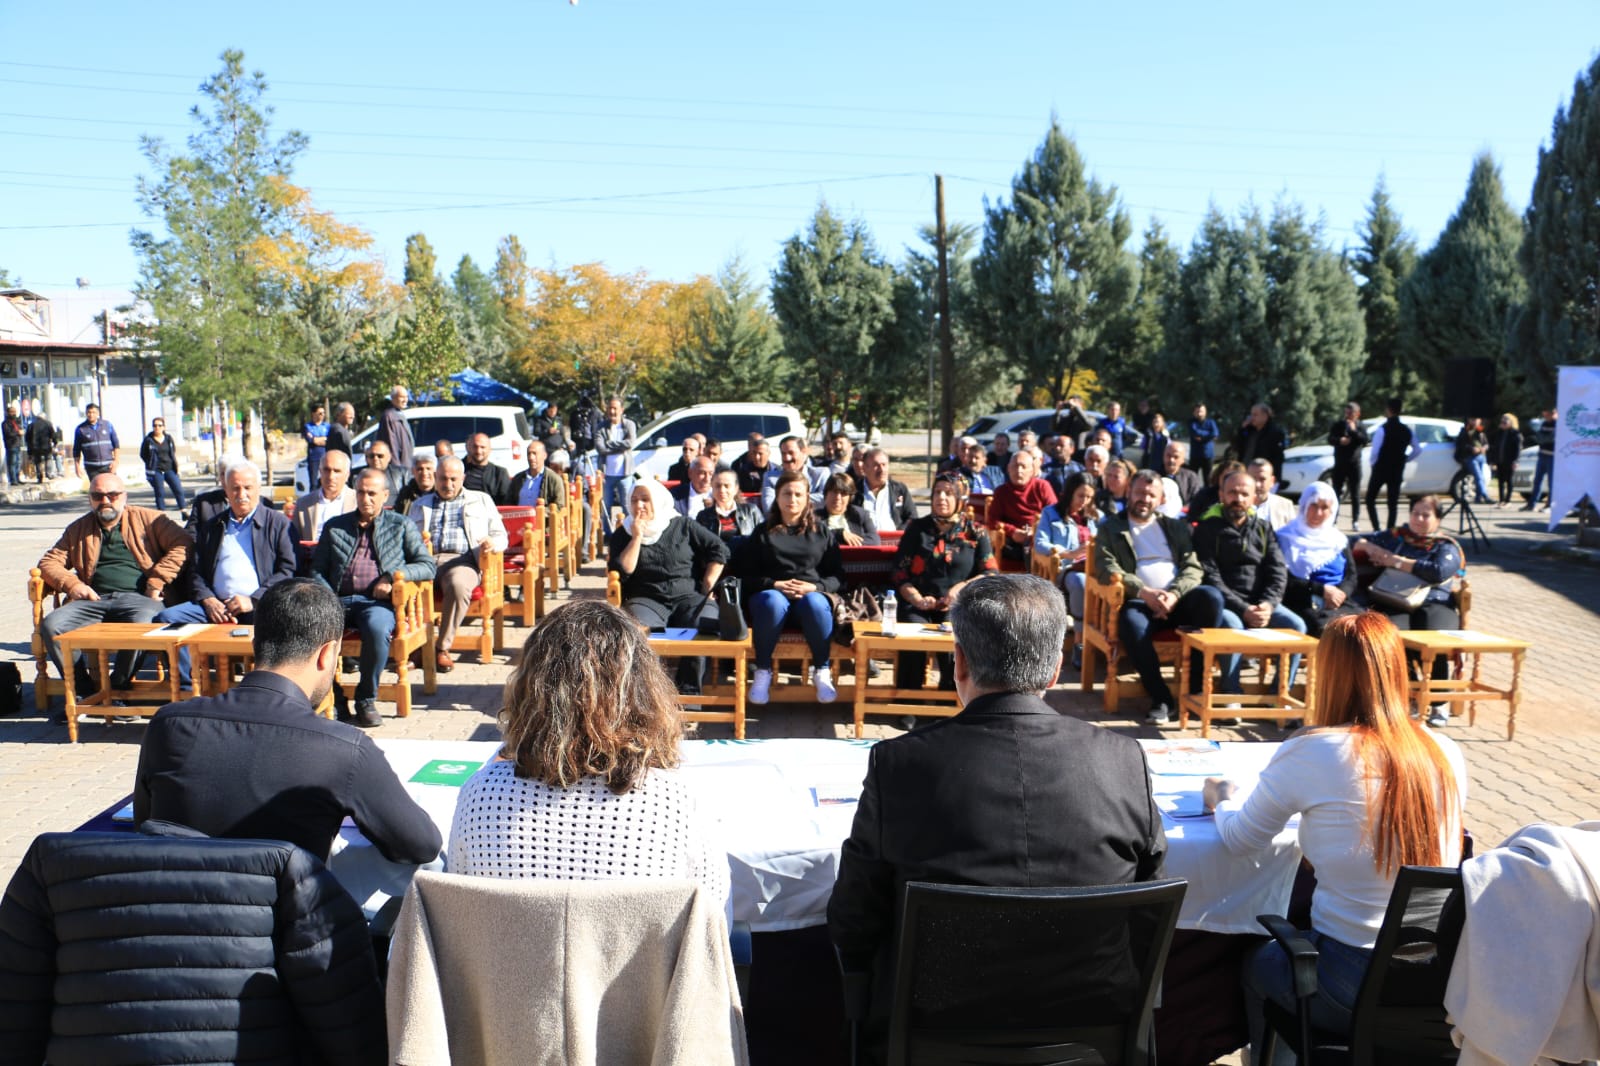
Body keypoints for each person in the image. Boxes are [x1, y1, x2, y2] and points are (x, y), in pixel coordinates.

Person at [828, 574, 1167, 1058]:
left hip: (934, 1032)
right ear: (1054, 670)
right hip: (1089, 1031)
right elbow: (1148, 911)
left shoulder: (900, 765)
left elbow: (853, 921)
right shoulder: (1123, 759)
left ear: (959, 663)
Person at [1203, 612, 1466, 1066]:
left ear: (1329, 675)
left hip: (1349, 977)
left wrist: (1221, 800)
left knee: (1254, 963)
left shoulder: (1315, 749)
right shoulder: (1444, 751)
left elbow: (1241, 840)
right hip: (1435, 977)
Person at [134, 577, 442, 868]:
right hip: (283, 920)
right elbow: (421, 845)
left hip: (172, 915)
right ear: (327, 654)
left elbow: (146, 824)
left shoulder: (168, 724)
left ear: (256, 642)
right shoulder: (344, 749)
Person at [446, 600, 727, 906]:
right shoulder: (678, 802)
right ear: (644, 691)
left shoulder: (480, 795)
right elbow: (713, 924)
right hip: (639, 955)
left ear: (530, 689)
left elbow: (461, 912)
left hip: (506, 953)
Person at [36, 472, 193, 694]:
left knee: (146, 622)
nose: (106, 501)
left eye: (112, 495)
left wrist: (157, 580)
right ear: (90, 499)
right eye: (98, 496)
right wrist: (73, 584)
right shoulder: (79, 529)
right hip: (94, 599)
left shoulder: (150, 520)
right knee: (52, 625)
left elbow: (184, 543)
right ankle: (83, 691)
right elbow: (50, 561)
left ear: (124, 496)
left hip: (140, 598)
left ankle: (118, 688)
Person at [1094, 470, 1226, 725]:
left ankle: (1195, 688)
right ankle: (1162, 698)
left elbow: (1192, 567)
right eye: (1139, 493)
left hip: (1177, 600)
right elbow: (1107, 567)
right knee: (1131, 623)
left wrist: (1174, 594)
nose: (1144, 499)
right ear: (1129, 492)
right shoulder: (1111, 527)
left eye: (1150, 495)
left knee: (1211, 598)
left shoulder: (1173, 527)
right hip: (1139, 601)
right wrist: (1144, 592)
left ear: (1160, 498)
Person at [309, 467, 437, 726]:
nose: (365, 499)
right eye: (360, 493)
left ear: (385, 496)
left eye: (372, 493)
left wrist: (392, 576)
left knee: (377, 629)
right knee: (312, 629)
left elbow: (427, 565)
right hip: (339, 601)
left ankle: (365, 699)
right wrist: (327, 598)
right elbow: (316, 570)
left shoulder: (401, 525)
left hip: (377, 603)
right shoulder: (336, 527)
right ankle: (334, 697)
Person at [151, 459, 297, 686]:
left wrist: (254, 599)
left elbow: (288, 570)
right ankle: (188, 689)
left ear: (258, 488)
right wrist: (208, 599)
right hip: (215, 606)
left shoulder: (277, 523)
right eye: (235, 488)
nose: (242, 494)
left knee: (278, 625)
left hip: (259, 605)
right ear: (226, 491)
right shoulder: (213, 526)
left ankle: (267, 690)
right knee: (166, 620)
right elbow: (196, 571)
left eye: (248, 488)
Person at [1192, 469, 1307, 697]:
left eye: (1245, 494)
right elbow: (1210, 576)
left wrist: (1269, 604)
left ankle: (1280, 695)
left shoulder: (1263, 528)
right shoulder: (1207, 528)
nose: (1238, 499)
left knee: (1297, 627)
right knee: (1233, 629)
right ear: (1222, 495)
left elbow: (1277, 571)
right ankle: (1231, 694)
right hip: (1227, 605)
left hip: (1261, 604)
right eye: (1232, 493)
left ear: (1255, 497)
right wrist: (1243, 609)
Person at [609, 479, 728, 695]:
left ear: (658, 500)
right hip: (646, 598)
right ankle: (650, 699)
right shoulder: (623, 532)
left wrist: (709, 583)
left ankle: (689, 695)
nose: (639, 506)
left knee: (704, 624)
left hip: (687, 596)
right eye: (634, 501)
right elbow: (624, 569)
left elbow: (718, 548)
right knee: (639, 634)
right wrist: (637, 536)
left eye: (645, 499)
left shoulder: (682, 525)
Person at [1356, 494, 1465, 726]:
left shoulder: (1445, 545)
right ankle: (1409, 695)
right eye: (1415, 513)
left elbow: (1437, 571)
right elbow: (1358, 543)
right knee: (1392, 636)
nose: (1419, 519)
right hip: (1398, 600)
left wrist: (1395, 561)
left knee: (1433, 637)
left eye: (1426, 515)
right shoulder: (1398, 537)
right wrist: (1372, 549)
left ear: (1438, 519)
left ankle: (1438, 701)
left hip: (1434, 602)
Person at [744, 470, 844, 705]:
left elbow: (838, 576)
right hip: (769, 603)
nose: (793, 499)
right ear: (777, 497)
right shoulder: (762, 533)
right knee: (773, 600)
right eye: (787, 493)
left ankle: (821, 670)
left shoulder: (821, 532)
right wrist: (774, 584)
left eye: (799, 494)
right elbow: (744, 575)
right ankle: (762, 671)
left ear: (808, 498)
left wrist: (815, 587)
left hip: (809, 603)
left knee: (816, 603)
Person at [891, 473, 997, 690]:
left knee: (954, 637)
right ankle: (908, 699)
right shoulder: (916, 528)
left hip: (958, 605)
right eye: (937, 492)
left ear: (960, 498)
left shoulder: (975, 532)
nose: (941, 498)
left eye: (948, 493)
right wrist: (917, 598)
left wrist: (960, 589)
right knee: (913, 636)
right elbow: (900, 573)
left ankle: (950, 700)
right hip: (918, 604)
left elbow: (991, 573)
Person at [407, 456, 508, 672]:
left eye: (453, 479)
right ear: (435, 478)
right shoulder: (419, 505)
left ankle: (440, 648)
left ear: (463, 478)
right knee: (402, 587)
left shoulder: (480, 500)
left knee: (458, 585)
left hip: (462, 561)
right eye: (443, 479)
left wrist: (491, 543)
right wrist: (415, 543)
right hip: (425, 561)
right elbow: (405, 540)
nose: (448, 484)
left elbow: (502, 536)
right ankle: (415, 648)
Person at [1034, 471, 1100, 668]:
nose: (1084, 502)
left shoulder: (1095, 517)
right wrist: (1068, 553)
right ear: (1070, 493)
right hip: (1065, 568)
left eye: (1089, 497)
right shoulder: (1051, 513)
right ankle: (1080, 642)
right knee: (1079, 582)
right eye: (1081, 496)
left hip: (1092, 567)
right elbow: (1040, 544)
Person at [1276, 482, 1361, 637]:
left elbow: (1351, 575)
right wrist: (1321, 590)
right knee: (1329, 629)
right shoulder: (1284, 537)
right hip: (1303, 600)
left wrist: (1339, 594)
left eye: (1325, 508)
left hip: (1339, 601)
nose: (1319, 513)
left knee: (1367, 626)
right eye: (1314, 505)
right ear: (1304, 505)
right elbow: (1284, 579)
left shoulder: (1338, 540)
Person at [987, 449, 1057, 564]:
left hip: (1039, 537)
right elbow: (993, 520)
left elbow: (1054, 515)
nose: (1019, 471)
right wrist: (1013, 531)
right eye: (1015, 466)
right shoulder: (1001, 492)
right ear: (1008, 469)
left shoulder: (1042, 487)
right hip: (1013, 541)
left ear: (1032, 470)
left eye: (1023, 467)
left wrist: (1036, 530)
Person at [1365, 397, 1420, 533]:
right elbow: (1417, 449)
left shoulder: (1382, 429)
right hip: (1397, 470)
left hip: (1380, 469)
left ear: (1388, 410)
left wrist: (1374, 464)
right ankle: (1390, 529)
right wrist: (1406, 459)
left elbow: (1375, 451)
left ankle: (1376, 528)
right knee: (1392, 503)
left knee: (1370, 498)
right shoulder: (1407, 430)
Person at [294, 449, 356, 543]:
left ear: (347, 474)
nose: (331, 476)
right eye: (327, 470)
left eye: (337, 471)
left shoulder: (358, 502)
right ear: (320, 472)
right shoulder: (303, 504)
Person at [597, 395, 637, 533]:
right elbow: (600, 448)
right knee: (606, 505)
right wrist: (620, 447)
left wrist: (610, 444)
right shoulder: (601, 427)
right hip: (606, 474)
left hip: (625, 473)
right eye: (610, 408)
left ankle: (628, 532)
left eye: (615, 408)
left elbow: (630, 443)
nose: (612, 411)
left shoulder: (629, 425)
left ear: (621, 410)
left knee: (627, 505)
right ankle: (608, 534)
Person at [852, 447, 917, 532]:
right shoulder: (854, 491)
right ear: (865, 468)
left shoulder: (899, 490)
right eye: (876, 465)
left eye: (884, 465)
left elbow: (912, 517)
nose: (881, 470)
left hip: (895, 541)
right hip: (865, 542)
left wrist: (899, 535)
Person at [1326, 402, 1369, 530]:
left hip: (1355, 464)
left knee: (1355, 493)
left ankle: (1355, 520)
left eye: (1351, 413)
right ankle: (1333, 519)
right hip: (1340, 463)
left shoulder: (1360, 426)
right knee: (1336, 492)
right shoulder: (1338, 425)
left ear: (1357, 414)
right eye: (1347, 412)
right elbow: (1330, 439)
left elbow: (1365, 440)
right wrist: (1339, 440)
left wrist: (1354, 431)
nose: (1348, 415)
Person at [697, 468, 762, 551]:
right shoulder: (704, 516)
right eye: (717, 486)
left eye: (727, 486)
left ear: (736, 488)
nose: (722, 490)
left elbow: (763, 538)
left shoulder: (751, 511)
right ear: (712, 488)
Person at [761, 434, 828, 512]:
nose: (787, 458)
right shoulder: (771, 478)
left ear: (803, 453)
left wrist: (787, 500)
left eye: (791, 453)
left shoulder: (820, 474)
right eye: (783, 453)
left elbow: (826, 499)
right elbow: (768, 508)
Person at [816, 471, 879, 547]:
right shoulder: (814, 517)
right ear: (826, 494)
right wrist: (838, 534)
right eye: (834, 492)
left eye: (843, 493)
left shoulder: (861, 515)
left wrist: (846, 541)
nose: (838, 498)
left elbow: (874, 540)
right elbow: (815, 539)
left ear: (850, 498)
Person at [138, 416, 186, 513]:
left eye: (160, 425)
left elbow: (173, 451)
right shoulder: (148, 440)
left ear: (163, 427)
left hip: (169, 468)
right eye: (155, 425)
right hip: (156, 470)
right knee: (160, 492)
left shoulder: (168, 438)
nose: (157, 428)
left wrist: (175, 465)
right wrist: (150, 463)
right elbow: (143, 454)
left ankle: (183, 510)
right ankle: (161, 513)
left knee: (178, 489)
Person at [1234, 403, 1289, 483]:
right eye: (1251, 414)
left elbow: (1277, 457)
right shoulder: (1248, 430)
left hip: (1263, 476)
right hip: (1246, 472)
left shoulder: (1275, 433)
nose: (1251, 418)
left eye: (1255, 415)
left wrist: (1274, 478)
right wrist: (1242, 429)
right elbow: (1238, 446)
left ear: (1265, 416)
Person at [509, 438, 564, 513]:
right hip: (518, 521)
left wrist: (538, 513)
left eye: (534, 453)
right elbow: (508, 502)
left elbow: (559, 506)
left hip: (542, 522)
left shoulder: (554, 479)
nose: (531, 458)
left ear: (544, 456)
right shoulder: (518, 478)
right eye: (529, 454)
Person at [460, 431, 512, 504]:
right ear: (469, 448)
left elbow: (506, 501)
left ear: (490, 449)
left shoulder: (499, 473)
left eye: (482, 447)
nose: (478, 451)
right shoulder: (460, 471)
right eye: (475, 447)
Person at [72, 403, 119, 482]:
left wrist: (116, 461)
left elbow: (116, 444)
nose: (91, 415)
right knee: (97, 490)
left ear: (98, 413)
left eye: (93, 412)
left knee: (110, 488)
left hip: (108, 465)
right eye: (89, 412)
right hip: (92, 467)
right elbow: (76, 450)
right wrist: (77, 467)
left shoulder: (107, 425)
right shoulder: (80, 429)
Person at [1523, 407, 1558, 511]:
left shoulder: (1557, 424)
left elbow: (1550, 438)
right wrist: (1542, 438)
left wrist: (1542, 438)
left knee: (1551, 482)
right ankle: (1531, 504)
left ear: (1553, 413)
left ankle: (1550, 505)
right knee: (1537, 480)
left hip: (1552, 456)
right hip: (1542, 454)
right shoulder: (1544, 424)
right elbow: (1539, 437)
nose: (1545, 415)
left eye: (1547, 413)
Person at [375, 385, 414, 474]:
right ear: (393, 398)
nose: (405, 400)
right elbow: (391, 445)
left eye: (406, 397)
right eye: (402, 397)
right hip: (397, 469)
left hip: (405, 467)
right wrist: (396, 469)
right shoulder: (389, 416)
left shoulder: (399, 414)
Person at [1248, 458, 1297, 530]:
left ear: (1272, 481)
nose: (1257, 484)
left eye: (1262, 479)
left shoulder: (1285, 505)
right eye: (1253, 479)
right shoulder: (1237, 504)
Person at [1454, 417, 1490, 503]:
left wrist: (1484, 448)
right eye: (1473, 420)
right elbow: (1460, 445)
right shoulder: (1464, 431)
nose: (1475, 422)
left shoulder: (1480, 431)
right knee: (1478, 477)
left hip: (1481, 456)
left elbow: (1486, 443)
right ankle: (1485, 496)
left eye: (1477, 420)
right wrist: (1471, 448)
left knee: (1482, 477)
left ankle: (1478, 497)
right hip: (1470, 457)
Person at [672, 454, 717, 520]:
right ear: (690, 473)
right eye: (702, 473)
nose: (707, 479)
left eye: (711, 474)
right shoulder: (675, 496)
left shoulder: (721, 495)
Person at [1491, 412, 1523, 507]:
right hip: (1500, 460)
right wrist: (1493, 461)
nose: (1503, 422)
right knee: (1500, 481)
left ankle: (1508, 501)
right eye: (1502, 420)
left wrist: (1516, 461)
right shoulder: (1499, 433)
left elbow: (1518, 449)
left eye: (1506, 420)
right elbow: (1496, 447)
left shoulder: (1515, 434)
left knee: (1509, 480)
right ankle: (1501, 500)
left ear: (1511, 422)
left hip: (1510, 461)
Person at [1039, 433, 1082, 500]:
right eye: (1056, 445)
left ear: (1072, 449)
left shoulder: (1079, 468)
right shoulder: (1046, 469)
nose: (1057, 448)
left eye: (1061, 445)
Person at [1161, 440, 1202, 509]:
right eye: (1168, 456)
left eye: (1176, 457)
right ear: (1163, 456)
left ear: (1182, 460)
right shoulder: (1154, 476)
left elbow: (1196, 499)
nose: (1171, 460)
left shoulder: (1191, 477)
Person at [1187, 402, 1220, 481]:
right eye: (1197, 411)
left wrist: (1202, 437)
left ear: (1205, 412)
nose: (1199, 413)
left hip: (1208, 455)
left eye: (1201, 411)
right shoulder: (1191, 422)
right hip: (1195, 455)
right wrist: (1209, 435)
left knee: (1208, 478)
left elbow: (1215, 433)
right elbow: (1195, 432)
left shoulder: (1211, 422)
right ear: (1194, 412)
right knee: (1192, 478)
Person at [303, 404, 330, 492]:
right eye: (320, 413)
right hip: (313, 458)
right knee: (314, 483)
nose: (322, 415)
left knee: (326, 481)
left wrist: (318, 439)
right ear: (313, 414)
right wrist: (323, 439)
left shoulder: (327, 426)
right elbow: (311, 440)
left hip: (325, 457)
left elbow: (329, 441)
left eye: (323, 413)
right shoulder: (308, 426)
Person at [25, 409, 56, 484]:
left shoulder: (31, 425)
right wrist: (55, 442)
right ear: (44, 417)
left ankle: (39, 476)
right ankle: (49, 473)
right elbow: (53, 434)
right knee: (48, 459)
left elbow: (27, 438)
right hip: (46, 446)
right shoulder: (48, 423)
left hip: (35, 447)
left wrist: (29, 450)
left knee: (38, 461)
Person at [2, 400, 23, 486]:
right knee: (12, 462)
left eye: (14, 412)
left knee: (18, 462)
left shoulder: (17, 422)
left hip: (17, 444)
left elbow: (19, 430)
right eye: (11, 412)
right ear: (8, 413)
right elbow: (8, 433)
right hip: (11, 445)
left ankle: (17, 478)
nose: (13, 414)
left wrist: (21, 432)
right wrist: (18, 433)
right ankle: (13, 479)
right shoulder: (5, 423)